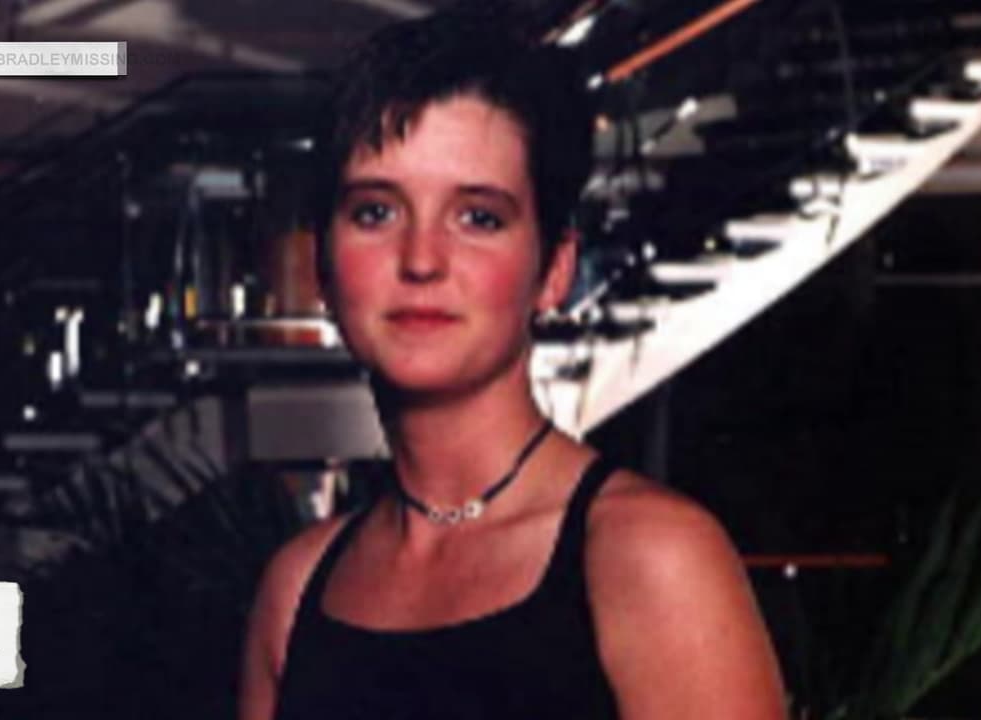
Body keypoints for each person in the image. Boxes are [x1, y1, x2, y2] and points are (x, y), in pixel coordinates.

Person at [239, 5, 786, 718]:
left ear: (554, 271)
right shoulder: (296, 589)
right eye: (376, 211)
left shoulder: (647, 556)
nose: (422, 259)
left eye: (479, 217)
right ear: (324, 266)